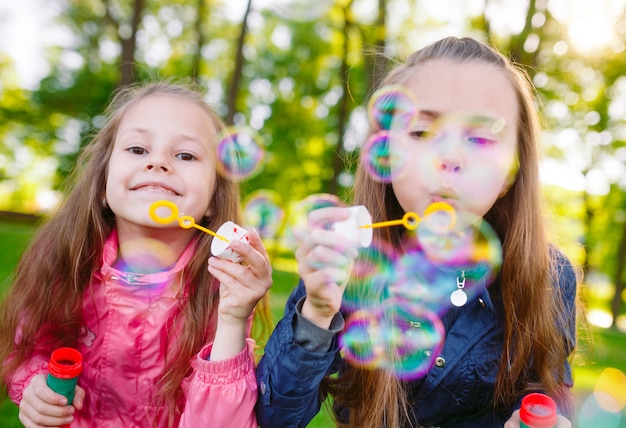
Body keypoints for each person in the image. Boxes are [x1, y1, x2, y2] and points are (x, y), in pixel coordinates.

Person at [255, 37, 580, 427]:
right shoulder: (349, 260)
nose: (451, 158)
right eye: (423, 133)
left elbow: (546, 389)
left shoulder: (548, 274)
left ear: (512, 172)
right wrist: (317, 313)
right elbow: (274, 418)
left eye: (479, 138)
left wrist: (543, 417)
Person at [0, 81, 273, 427]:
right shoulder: (67, 261)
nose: (158, 162)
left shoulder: (220, 290)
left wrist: (233, 319)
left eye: (185, 155)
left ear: (213, 201)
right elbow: (28, 347)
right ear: (102, 184)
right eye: (137, 149)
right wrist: (35, 384)